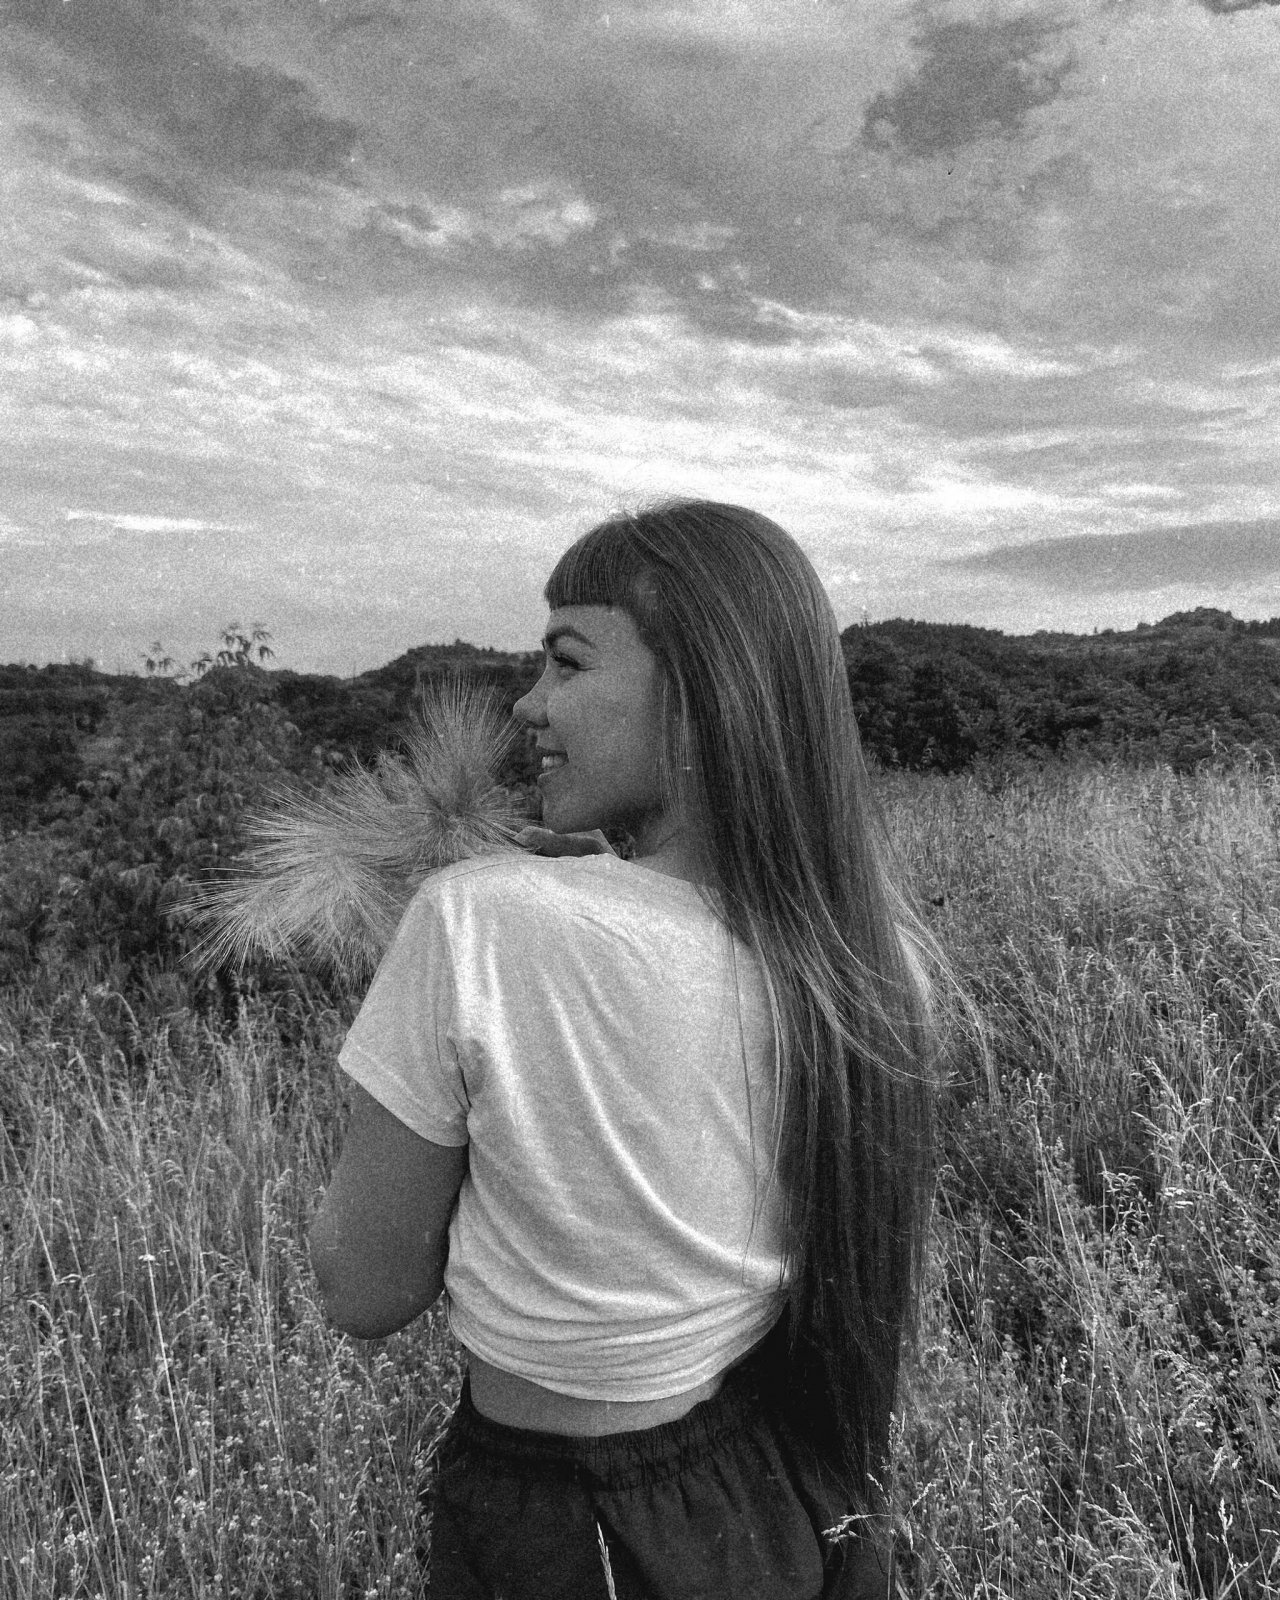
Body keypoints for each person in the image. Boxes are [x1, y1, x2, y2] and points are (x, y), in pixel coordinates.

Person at [308, 500, 940, 1598]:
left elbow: (360, 1289)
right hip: (778, 1491)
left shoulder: (480, 920)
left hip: (564, 1528)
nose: (527, 701)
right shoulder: (863, 953)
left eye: (565, 660)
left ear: (700, 693)